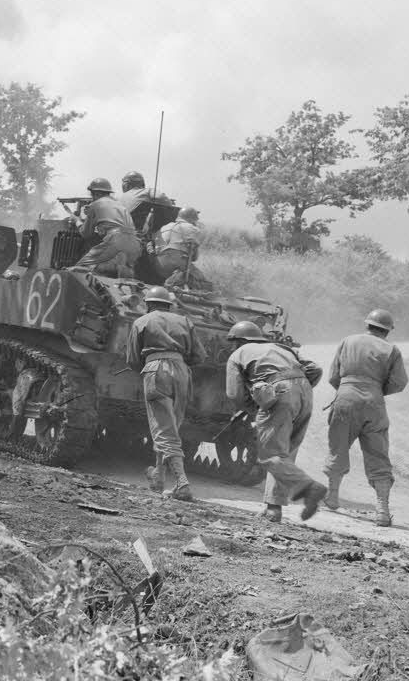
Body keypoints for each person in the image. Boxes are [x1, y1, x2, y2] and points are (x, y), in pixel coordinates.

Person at [224, 320, 328, 523]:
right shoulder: (282, 347)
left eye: (233, 342)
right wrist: (299, 390)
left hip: (277, 393)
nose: (232, 346)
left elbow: (234, 393)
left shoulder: (237, 354)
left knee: (270, 455)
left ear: (239, 341)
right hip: (304, 392)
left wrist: (256, 408)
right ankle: (273, 509)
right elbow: (315, 369)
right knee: (284, 454)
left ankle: (309, 488)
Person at [323, 309, 408, 526]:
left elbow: (333, 375)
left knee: (338, 447)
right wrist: (375, 390)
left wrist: (347, 390)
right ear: (388, 331)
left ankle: (332, 498)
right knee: (378, 455)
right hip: (374, 402)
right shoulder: (392, 350)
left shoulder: (347, 341)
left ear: (367, 325)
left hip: (345, 397)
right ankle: (382, 511)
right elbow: (399, 382)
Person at [125, 285, 207, 501]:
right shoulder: (185, 321)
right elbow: (200, 356)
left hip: (155, 370)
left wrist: (150, 365)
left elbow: (133, 360)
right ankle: (159, 476)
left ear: (148, 304)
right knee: (171, 427)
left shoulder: (141, 321)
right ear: (169, 305)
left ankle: (182, 483)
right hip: (182, 373)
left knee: (164, 430)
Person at [70, 177, 142, 278]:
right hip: (135, 244)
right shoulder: (120, 205)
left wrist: (76, 220)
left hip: (116, 241)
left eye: (92, 194)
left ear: (97, 193)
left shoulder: (96, 204)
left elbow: (85, 233)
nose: (92, 197)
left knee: (78, 270)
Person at [154, 207, 213, 291]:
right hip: (178, 265)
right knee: (204, 283)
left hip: (159, 265)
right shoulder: (192, 229)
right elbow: (194, 258)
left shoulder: (164, 227)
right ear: (192, 219)